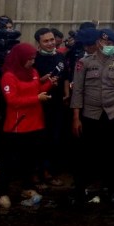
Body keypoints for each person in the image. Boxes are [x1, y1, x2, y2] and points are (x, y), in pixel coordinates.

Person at [70, 29, 114, 204]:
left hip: (113, 115)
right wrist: (75, 117)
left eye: (112, 43)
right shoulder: (84, 62)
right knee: (86, 154)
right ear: (98, 43)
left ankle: (112, 190)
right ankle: (80, 190)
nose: (108, 46)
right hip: (90, 115)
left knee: (113, 155)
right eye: (105, 43)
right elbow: (78, 91)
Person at [0, 43, 55, 208]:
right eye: (29, 59)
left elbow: (36, 91)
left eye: (33, 59)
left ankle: (27, 187)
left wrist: (49, 84)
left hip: (35, 124)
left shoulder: (34, 72)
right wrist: (37, 99)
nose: (32, 62)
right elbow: (13, 101)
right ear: (20, 58)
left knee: (30, 160)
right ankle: (2, 191)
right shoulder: (9, 76)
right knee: (9, 161)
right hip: (17, 126)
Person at [33, 28, 68, 187]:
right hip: (39, 105)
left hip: (58, 104)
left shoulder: (60, 56)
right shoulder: (34, 59)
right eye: (46, 41)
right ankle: (37, 172)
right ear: (38, 43)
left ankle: (50, 172)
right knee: (39, 140)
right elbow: (30, 83)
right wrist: (42, 80)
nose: (50, 43)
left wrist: (66, 94)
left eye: (52, 39)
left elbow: (66, 77)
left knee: (55, 139)